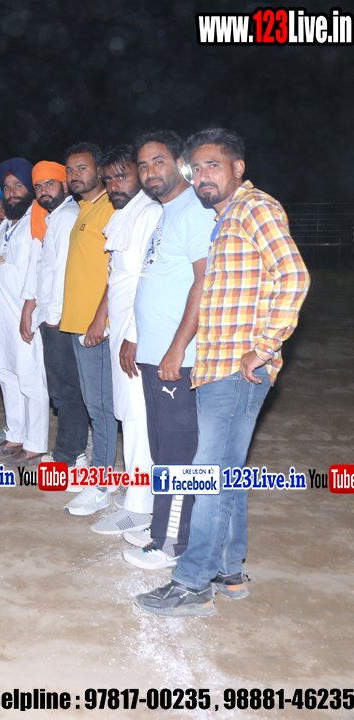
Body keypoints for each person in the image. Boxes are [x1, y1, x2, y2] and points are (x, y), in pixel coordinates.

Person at [137, 128, 310, 617]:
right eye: (196, 168)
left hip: (237, 370)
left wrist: (264, 347)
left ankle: (193, 584)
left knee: (207, 475)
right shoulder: (223, 217)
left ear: (238, 168)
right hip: (217, 369)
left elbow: (294, 275)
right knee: (226, 475)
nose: (203, 176)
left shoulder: (255, 209)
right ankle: (229, 573)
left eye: (213, 165)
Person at [122, 130, 214, 569]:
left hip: (180, 359)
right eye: (142, 165)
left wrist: (178, 348)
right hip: (156, 355)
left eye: (158, 161)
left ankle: (173, 543)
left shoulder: (194, 210)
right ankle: (164, 525)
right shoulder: (167, 212)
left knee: (177, 453)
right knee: (162, 449)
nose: (149, 172)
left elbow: (204, 281)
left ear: (180, 163)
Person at [90, 147, 162, 536]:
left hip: (137, 333)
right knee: (129, 414)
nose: (114, 185)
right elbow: (117, 278)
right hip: (122, 330)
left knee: (137, 416)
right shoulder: (125, 214)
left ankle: (140, 506)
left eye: (123, 176)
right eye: (109, 179)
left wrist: (133, 335)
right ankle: (138, 495)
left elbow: (147, 280)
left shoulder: (148, 214)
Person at [59, 142, 117, 516]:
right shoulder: (84, 208)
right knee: (92, 404)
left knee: (102, 407)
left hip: (97, 327)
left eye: (82, 168)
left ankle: (102, 484)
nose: (74, 175)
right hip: (77, 324)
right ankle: (99, 473)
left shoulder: (109, 207)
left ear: (99, 170)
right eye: (70, 169)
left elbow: (117, 271)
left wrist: (100, 319)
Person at [17, 160, 86, 469]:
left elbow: (63, 273)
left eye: (50, 184)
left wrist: (53, 317)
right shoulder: (54, 218)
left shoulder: (67, 217)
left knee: (66, 391)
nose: (44, 191)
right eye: (38, 186)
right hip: (52, 315)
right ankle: (71, 452)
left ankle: (69, 456)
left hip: (60, 317)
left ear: (65, 185)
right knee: (63, 389)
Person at [0, 160, 47, 466]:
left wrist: (28, 311)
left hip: (25, 313)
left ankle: (35, 444)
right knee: (7, 376)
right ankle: (16, 436)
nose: (11, 193)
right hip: (1, 316)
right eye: (7, 188)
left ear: (30, 190)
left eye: (18, 186)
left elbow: (37, 270)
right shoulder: (5, 226)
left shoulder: (37, 220)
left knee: (30, 379)